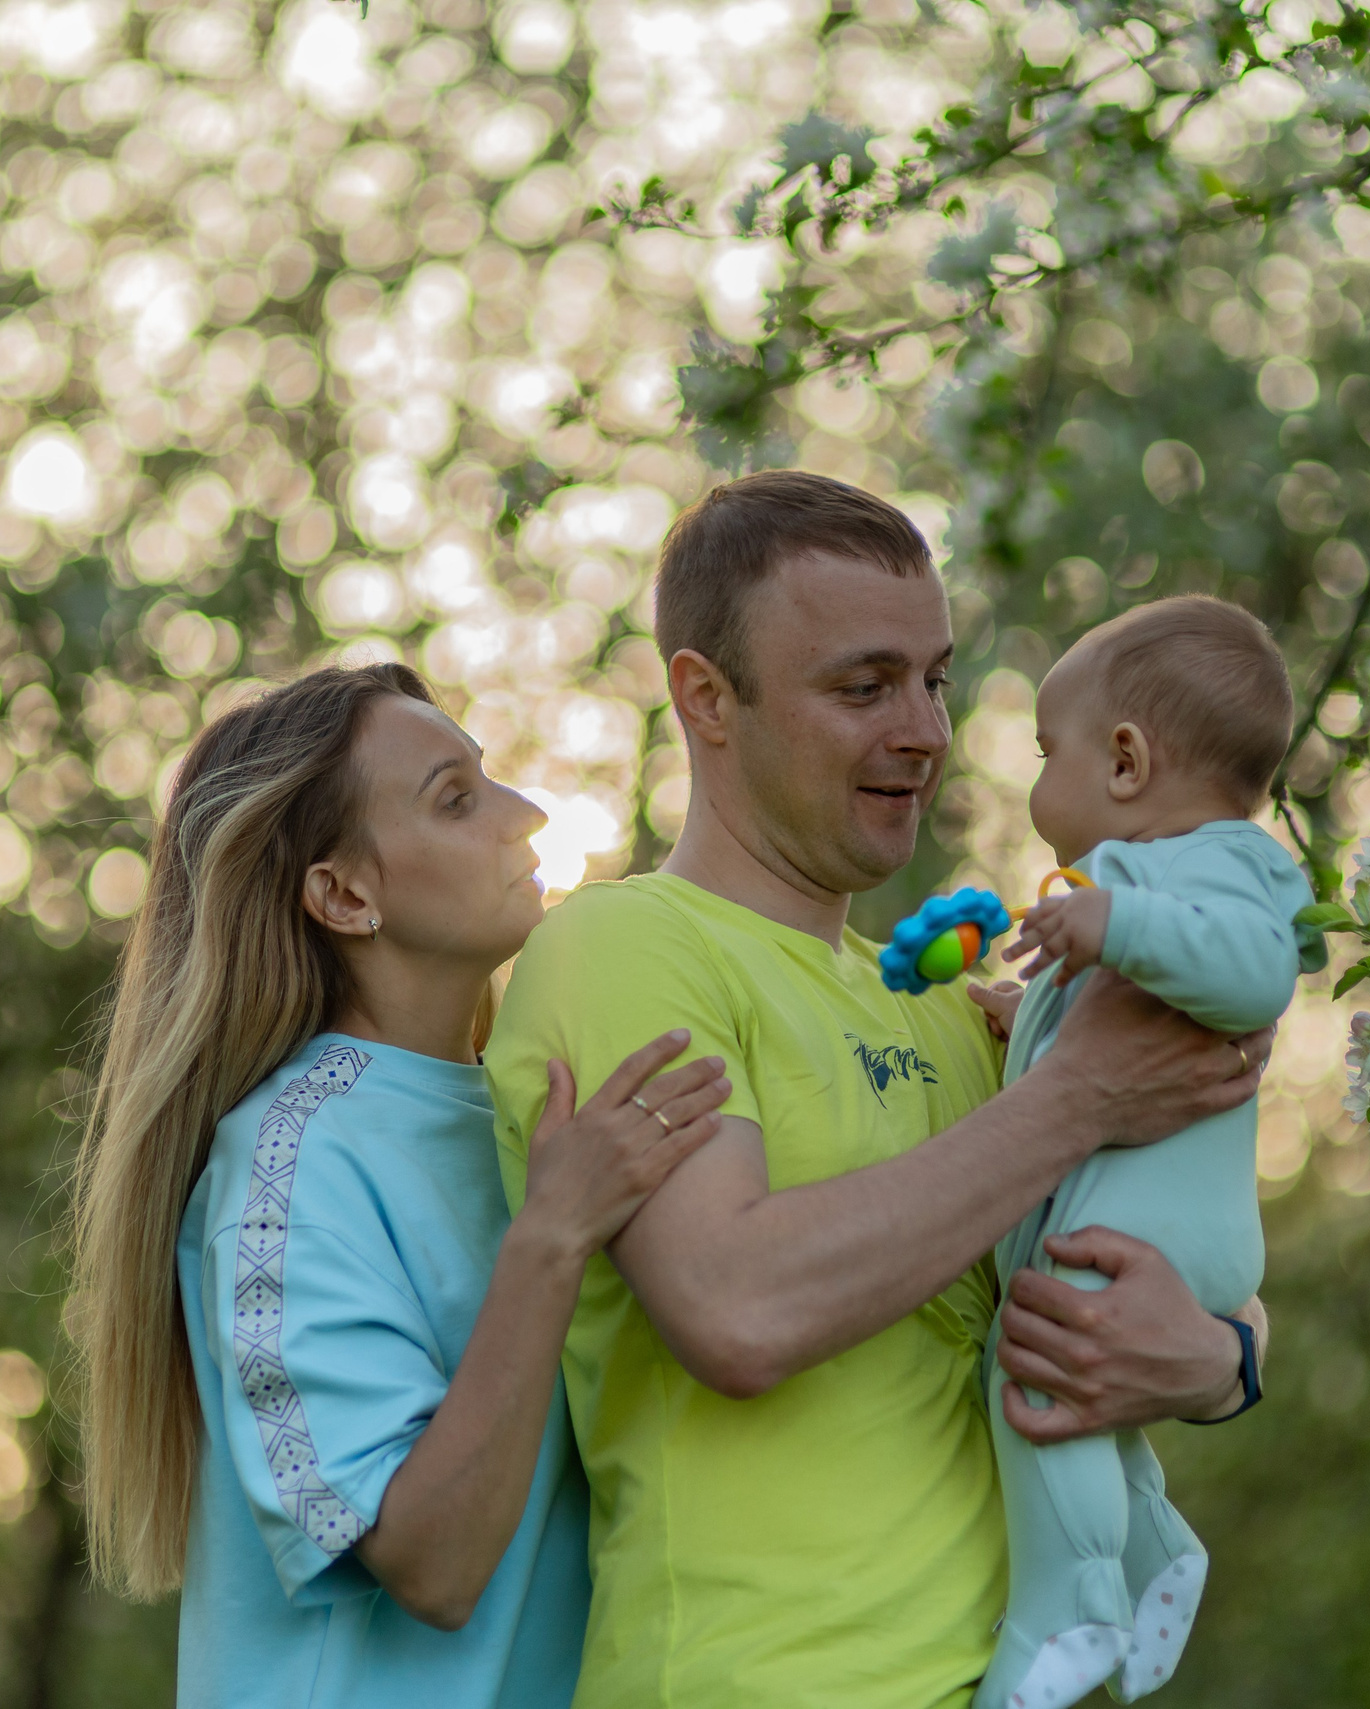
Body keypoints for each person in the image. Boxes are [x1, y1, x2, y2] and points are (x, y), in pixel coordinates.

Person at [483, 471, 1279, 1709]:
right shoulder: (622, 947)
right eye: (863, 686)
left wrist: (1218, 1359)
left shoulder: (955, 1014)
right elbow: (733, 1306)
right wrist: (1077, 1096)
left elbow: (1153, 1261)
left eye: (935, 678)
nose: (923, 729)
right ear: (706, 698)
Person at [67, 663, 734, 1709]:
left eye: (491, 779)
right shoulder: (289, 1164)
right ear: (343, 893)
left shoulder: (529, 1104)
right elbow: (433, 1562)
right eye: (455, 798)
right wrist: (553, 1233)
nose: (530, 812)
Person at [969, 596, 1323, 1709]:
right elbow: (1097, 1061)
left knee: (1040, 1381)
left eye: (1043, 752)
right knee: (1088, 1405)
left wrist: (1110, 923)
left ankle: (1062, 1609)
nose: (1036, 783)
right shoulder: (1160, 882)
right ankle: (1154, 1550)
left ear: (1125, 760)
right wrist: (1018, 1023)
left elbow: (1255, 969)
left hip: (1157, 1233)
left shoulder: (1219, 866)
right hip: (1152, 1228)